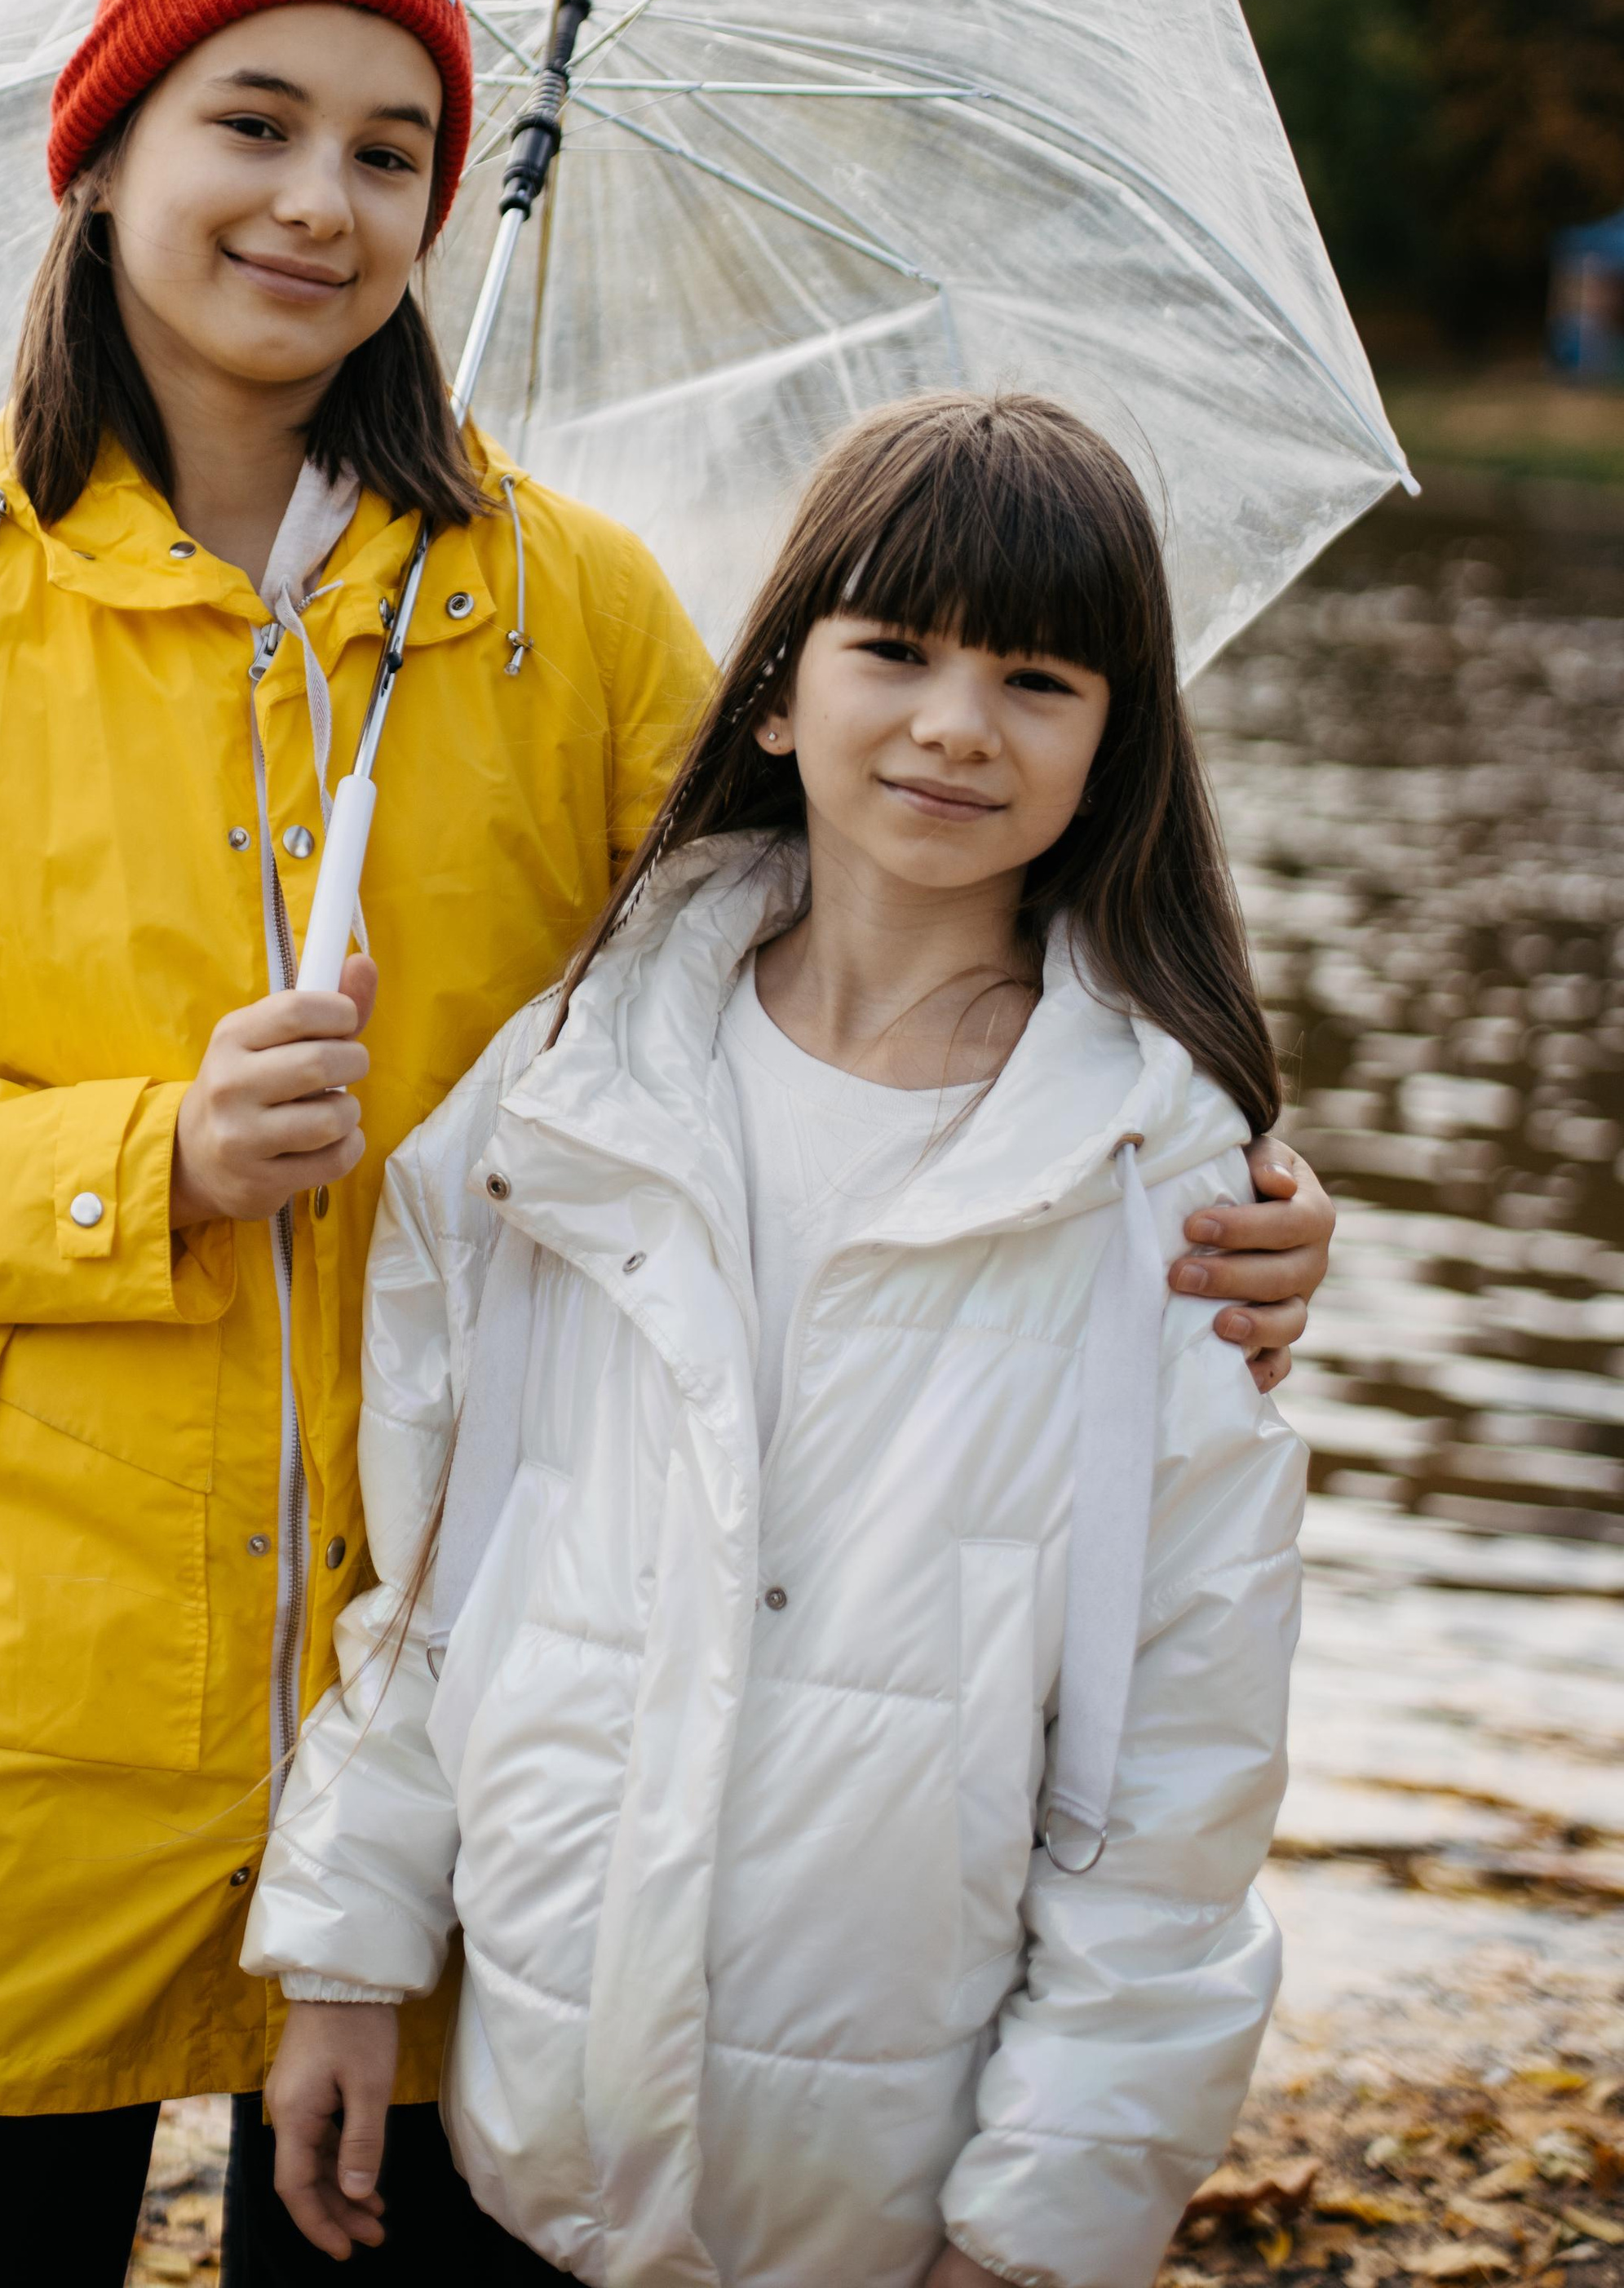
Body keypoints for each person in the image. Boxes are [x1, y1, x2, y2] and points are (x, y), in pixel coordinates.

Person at [0, 0, 1330, 2286]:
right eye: (252, 124)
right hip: (47, 1677)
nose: (319, 201)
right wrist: (145, 1159)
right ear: (108, 151)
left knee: (378, 2236)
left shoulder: (564, 603)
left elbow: (806, 985)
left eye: (392, 154)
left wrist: (1197, 1191)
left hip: (502, 1669)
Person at [250, 392, 1308, 2288]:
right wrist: (343, 1949)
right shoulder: (567, 1091)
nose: (952, 724)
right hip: (517, 2137)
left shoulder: (1158, 1192)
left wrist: (1044, 2222)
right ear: (771, 694)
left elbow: (1178, 1775)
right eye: (891, 651)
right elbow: (426, 1568)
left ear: (1113, 748)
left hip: (884, 2202)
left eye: (1034, 679)